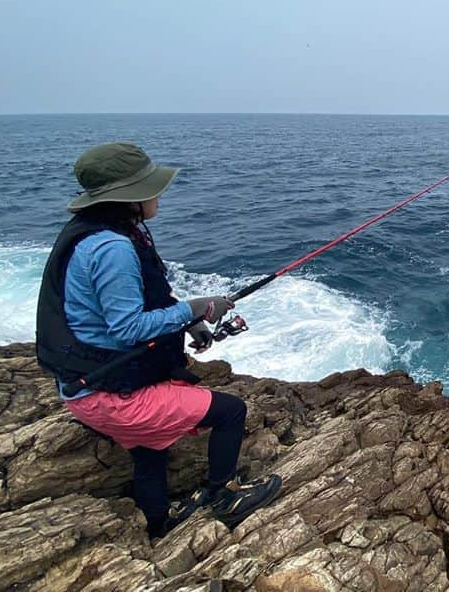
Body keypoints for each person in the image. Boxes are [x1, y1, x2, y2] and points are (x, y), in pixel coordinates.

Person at [35, 142, 281, 538]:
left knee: (150, 453)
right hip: (112, 397)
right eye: (149, 187)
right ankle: (225, 497)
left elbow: (124, 311)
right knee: (231, 411)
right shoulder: (113, 248)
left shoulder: (93, 235)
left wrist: (186, 325)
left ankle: (159, 525)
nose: (158, 194)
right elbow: (128, 328)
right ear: (127, 198)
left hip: (84, 388)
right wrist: (194, 309)